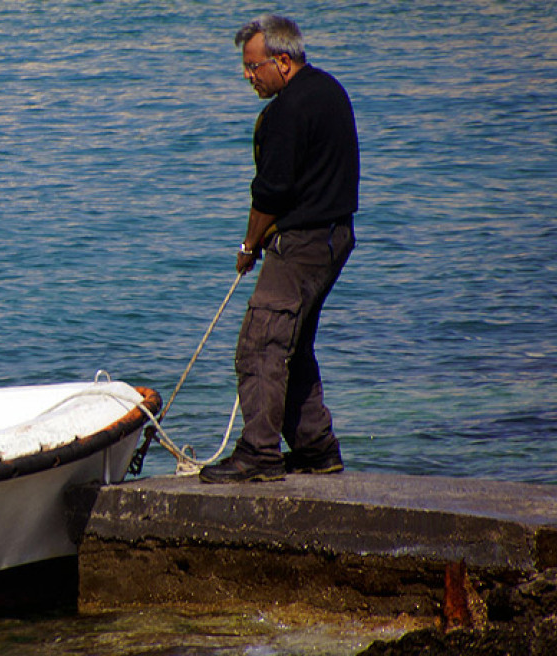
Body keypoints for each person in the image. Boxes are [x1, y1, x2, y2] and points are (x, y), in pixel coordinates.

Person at [198, 15, 359, 484]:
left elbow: (271, 192)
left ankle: (259, 454)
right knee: (295, 345)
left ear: (282, 61)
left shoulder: (287, 111)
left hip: (302, 243)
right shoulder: (330, 90)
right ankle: (316, 449)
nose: (248, 76)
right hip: (335, 237)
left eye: (253, 67)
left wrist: (249, 245)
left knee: (261, 347)